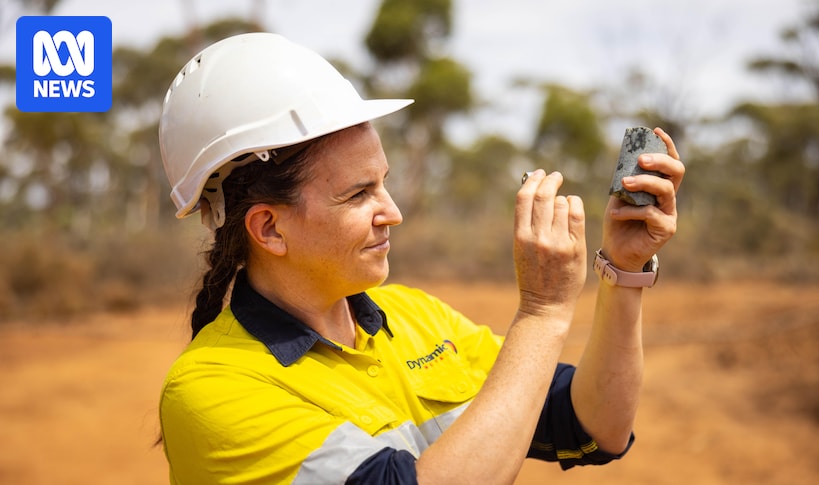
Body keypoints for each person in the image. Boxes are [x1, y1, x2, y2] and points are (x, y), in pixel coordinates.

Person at [157, 32, 684, 485]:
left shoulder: (413, 317)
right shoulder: (211, 389)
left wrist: (625, 270)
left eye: (383, 183)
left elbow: (596, 425)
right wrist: (543, 311)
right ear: (269, 228)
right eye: (358, 194)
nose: (392, 212)